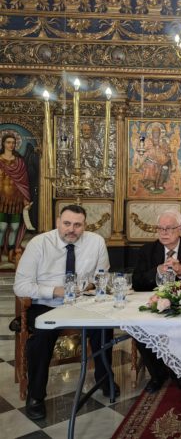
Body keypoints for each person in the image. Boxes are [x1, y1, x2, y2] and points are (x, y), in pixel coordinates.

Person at [13, 205, 118, 420]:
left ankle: (104, 379)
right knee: (41, 337)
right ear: (58, 222)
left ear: (85, 225)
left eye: (77, 225)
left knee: (103, 327)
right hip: (46, 304)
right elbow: (21, 286)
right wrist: (55, 291)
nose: (72, 229)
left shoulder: (96, 242)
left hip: (82, 302)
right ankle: (35, 396)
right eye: (67, 223)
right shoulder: (39, 243)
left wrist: (89, 286)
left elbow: (102, 277)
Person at [132, 209, 181, 393]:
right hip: (155, 304)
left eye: (169, 228)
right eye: (160, 228)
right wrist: (157, 270)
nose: (164, 233)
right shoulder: (147, 250)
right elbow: (136, 282)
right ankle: (158, 375)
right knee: (140, 329)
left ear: (179, 229)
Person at [0, 134, 31, 263]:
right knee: (1, 228)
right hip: (1, 201)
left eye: (13, 142)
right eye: (8, 142)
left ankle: (11, 254)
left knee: (14, 228)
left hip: (16, 200)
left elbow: (24, 183)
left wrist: (25, 198)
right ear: (3, 143)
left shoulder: (19, 162)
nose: (11, 145)